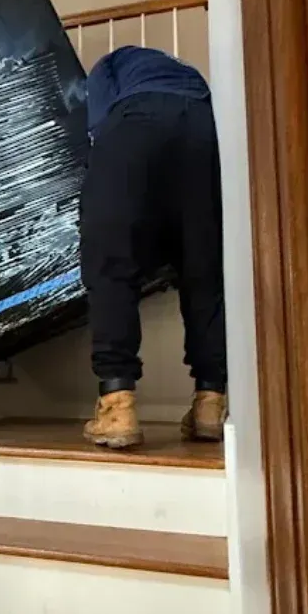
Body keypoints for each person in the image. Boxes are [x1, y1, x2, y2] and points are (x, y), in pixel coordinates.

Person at [79, 45, 226, 449]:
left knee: (110, 261)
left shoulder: (104, 66)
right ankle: (210, 404)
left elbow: (99, 135)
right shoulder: (188, 72)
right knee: (202, 267)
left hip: (135, 122)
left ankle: (117, 404)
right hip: (203, 128)